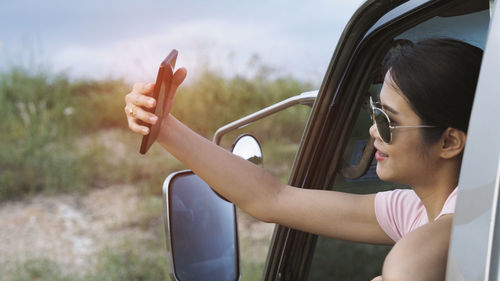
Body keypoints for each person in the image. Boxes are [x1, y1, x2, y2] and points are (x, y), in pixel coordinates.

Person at [124, 38, 483, 281]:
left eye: (388, 121)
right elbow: (274, 199)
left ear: (449, 141)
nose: (373, 130)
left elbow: (410, 265)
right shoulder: (415, 210)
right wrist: (164, 127)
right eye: (375, 111)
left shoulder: (466, 223)